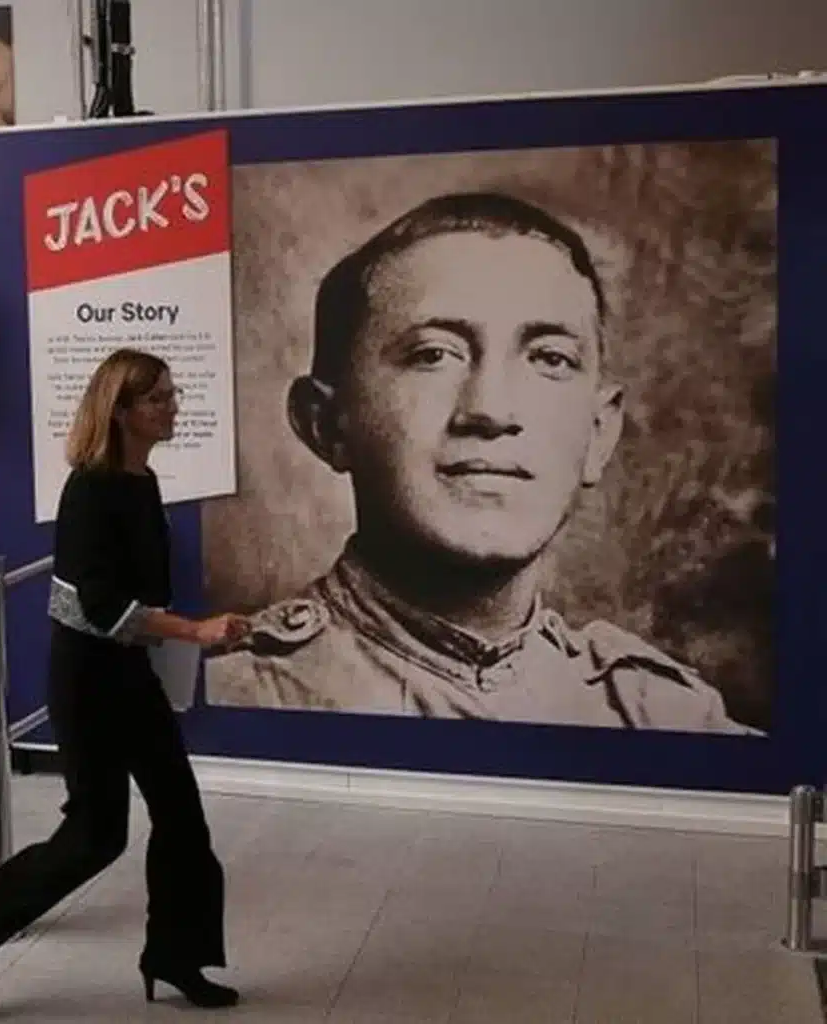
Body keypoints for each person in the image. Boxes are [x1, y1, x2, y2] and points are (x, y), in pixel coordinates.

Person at [206, 191, 760, 735]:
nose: (490, 411)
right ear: (326, 424)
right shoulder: (232, 697)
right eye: (432, 355)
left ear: (598, 434)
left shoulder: (661, 716)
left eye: (550, 358)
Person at [0, 348, 250, 1013]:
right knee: (96, 834)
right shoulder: (90, 489)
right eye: (159, 397)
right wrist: (194, 631)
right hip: (88, 681)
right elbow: (95, 606)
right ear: (123, 410)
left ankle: (176, 957)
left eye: (171, 393)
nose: (173, 405)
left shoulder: (143, 482)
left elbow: (137, 596)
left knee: (183, 822)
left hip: (129, 672)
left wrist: (187, 637)